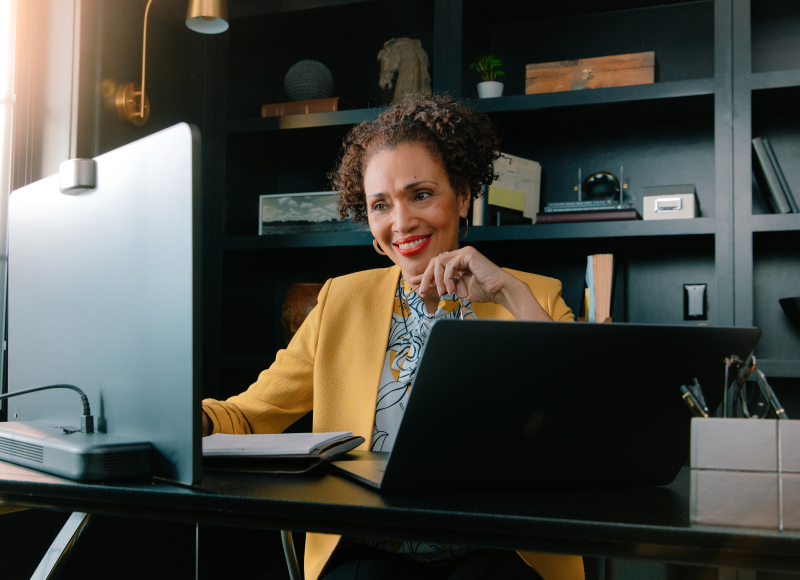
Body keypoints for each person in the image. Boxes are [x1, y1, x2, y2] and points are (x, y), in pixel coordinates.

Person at [201, 93, 582, 580]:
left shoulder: (536, 297)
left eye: (421, 194)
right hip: (369, 549)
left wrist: (510, 293)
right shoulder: (341, 301)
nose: (401, 223)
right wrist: (192, 420)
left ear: (463, 194)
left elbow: (577, 429)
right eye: (381, 205)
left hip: (499, 550)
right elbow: (249, 417)